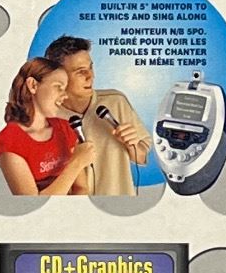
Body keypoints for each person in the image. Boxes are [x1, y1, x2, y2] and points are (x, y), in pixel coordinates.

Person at [43, 34, 150, 197]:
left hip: (118, 206)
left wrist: (132, 144)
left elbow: (141, 158)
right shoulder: (45, 118)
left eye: (90, 67)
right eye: (80, 72)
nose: (90, 76)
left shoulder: (116, 102)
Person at [0, 58, 95, 196]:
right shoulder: (10, 141)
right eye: (58, 87)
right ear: (33, 85)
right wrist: (76, 163)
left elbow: (81, 188)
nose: (65, 96)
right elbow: (33, 204)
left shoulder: (65, 128)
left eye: (65, 89)